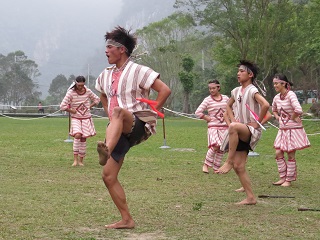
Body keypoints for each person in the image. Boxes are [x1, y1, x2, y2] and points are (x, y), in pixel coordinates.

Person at [95, 26, 171, 229]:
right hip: (118, 130)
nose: (106, 50)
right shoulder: (105, 74)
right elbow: (102, 93)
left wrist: (154, 111)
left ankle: (107, 149)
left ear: (122, 50)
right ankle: (127, 220)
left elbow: (164, 90)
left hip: (138, 123)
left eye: (109, 46)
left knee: (119, 112)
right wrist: (108, 111)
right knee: (108, 176)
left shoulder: (139, 70)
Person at [215, 60, 271, 205]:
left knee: (233, 127)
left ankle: (228, 161)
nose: (238, 73)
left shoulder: (253, 90)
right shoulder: (235, 91)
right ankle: (251, 197)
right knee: (239, 166)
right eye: (238, 71)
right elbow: (227, 106)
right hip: (240, 129)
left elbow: (266, 105)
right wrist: (233, 119)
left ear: (250, 74)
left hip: (251, 130)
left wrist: (257, 122)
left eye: (241, 71)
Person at [272, 74, 310, 187]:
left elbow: (298, 109)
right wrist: (277, 117)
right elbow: (273, 109)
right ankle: (282, 177)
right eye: (274, 83)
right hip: (282, 130)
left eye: (276, 83)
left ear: (283, 83)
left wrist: (293, 118)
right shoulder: (276, 97)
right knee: (278, 152)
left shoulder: (291, 95)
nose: (275, 86)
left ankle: (288, 180)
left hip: (293, 129)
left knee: (290, 154)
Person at [60, 76, 100, 166]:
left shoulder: (88, 91)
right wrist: (71, 110)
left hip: (86, 118)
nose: (81, 87)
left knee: (83, 138)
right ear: (76, 83)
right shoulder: (71, 93)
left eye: (82, 85)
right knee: (77, 135)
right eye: (79, 85)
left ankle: (81, 160)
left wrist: (90, 106)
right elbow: (62, 106)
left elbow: (97, 99)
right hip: (76, 118)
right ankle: (75, 159)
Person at [195, 80, 229, 173]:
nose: (211, 90)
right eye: (210, 88)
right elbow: (198, 112)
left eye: (213, 88)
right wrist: (206, 117)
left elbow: (231, 109)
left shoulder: (226, 98)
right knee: (215, 146)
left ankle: (216, 168)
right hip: (213, 127)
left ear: (218, 88)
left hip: (225, 127)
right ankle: (206, 165)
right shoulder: (207, 100)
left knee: (222, 148)